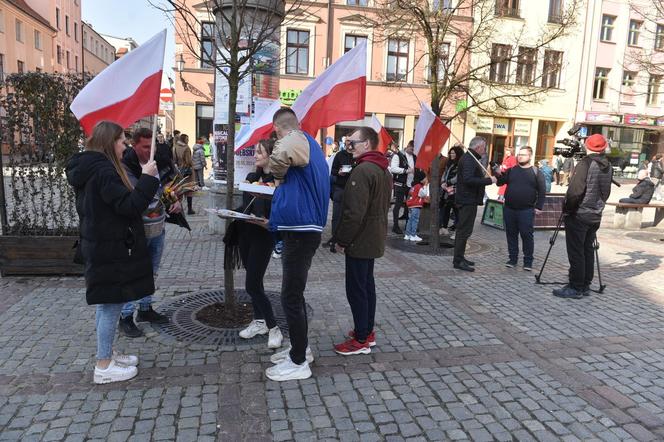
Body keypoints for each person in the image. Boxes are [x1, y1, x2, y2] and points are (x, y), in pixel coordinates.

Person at [66, 121, 159, 384]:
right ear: (109, 143)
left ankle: (107, 353)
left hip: (104, 244)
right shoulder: (103, 171)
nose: (124, 146)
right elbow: (129, 206)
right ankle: (103, 365)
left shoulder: (94, 167)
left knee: (109, 302)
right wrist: (148, 179)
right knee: (110, 304)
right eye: (121, 141)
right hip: (109, 248)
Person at [264, 108, 329, 382]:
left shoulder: (295, 138)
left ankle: (299, 361)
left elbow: (280, 155)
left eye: (276, 133)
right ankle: (301, 349)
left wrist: (275, 171)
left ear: (279, 128)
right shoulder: (306, 144)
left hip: (302, 231)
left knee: (290, 296)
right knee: (294, 294)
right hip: (301, 229)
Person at [333, 127, 392, 355]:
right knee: (367, 287)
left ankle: (360, 339)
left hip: (360, 240)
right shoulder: (381, 169)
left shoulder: (364, 170)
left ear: (366, 144)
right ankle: (366, 331)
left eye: (353, 143)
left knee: (357, 290)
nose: (350, 147)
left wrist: (342, 241)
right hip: (372, 237)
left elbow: (353, 214)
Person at [118, 128, 180, 338]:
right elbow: (136, 197)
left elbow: (163, 188)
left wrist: (174, 201)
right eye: (145, 147)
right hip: (137, 230)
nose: (149, 151)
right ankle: (126, 316)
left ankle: (145, 308)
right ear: (134, 145)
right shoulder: (125, 166)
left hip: (158, 226)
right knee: (135, 272)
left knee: (152, 271)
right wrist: (148, 176)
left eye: (151, 146)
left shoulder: (158, 160)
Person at [226, 138, 283, 349]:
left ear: (270, 155)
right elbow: (246, 207)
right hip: (245, 233)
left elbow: (276, 212)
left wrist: (268, 222)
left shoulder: (277, 181)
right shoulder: (251, 177)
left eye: (259, 152)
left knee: (252, 284)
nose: (255, 156)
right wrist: (232, 214)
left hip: (263, 236)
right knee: (254, 284)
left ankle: (273, 327)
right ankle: (258, 321)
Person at [553, 134, 613, 299]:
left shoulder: (586, 163)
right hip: (595, 214)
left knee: (576, 251)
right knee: (587, 250)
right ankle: (585, 284)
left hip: (580, 214)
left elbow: (575, 191)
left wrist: (567, 209)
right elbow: (606, 192)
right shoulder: (607, 165)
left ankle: (576, 286)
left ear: (588, 146)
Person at [496, 146, 546, 271]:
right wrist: (497, 172)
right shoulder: (512, 170)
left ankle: (528, 261)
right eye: (519, 154)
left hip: (526, 210)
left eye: (523, 155)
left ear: (530, 156)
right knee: (511, 234)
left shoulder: (536, 172)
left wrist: (539, 206)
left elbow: (542, 190)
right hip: (509, 208)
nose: (520, 156)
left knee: (526, 235)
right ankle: (512, 259)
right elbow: (500, 182)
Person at [453, 136, 497, 272]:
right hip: (466, 200)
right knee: (463, 231)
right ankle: (458, 260)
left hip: (469, 199)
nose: (485, 150)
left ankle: (460, 257)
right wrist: (489, 181)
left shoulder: (471, 158)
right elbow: (468, 179)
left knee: (466, 231)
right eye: (484, 147)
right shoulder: (468, 159)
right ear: (478, 147)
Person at [326, 141, 355, 251]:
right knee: (337, 216)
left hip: (353, 190)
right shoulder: (339, 155)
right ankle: (334, 240)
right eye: (347, 142)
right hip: (340, 188)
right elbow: (332, 170)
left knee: (350, 216)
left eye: (351, 142)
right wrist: (339, 172)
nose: (349, 144)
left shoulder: (357, 155)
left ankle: (346, 241)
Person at [389, 141, 416, 234]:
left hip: (410, 185)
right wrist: (405, 171)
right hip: (400, 184)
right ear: (408, 146)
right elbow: (393, 168)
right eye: (412, 149)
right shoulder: (398, 156)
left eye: (414, 150)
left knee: (410, 205)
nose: (413, 151)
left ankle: (408, 226)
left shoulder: (415, 157)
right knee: (398, 205)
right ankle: (395, 226)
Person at [440, 144, 464, 236]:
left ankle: (458, 232)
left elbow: (458, 177)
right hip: (447, 190)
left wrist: (448, 182)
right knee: (446, 208)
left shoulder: (460, 164)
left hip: (455, 191)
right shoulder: (449, 163)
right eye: (450, 153)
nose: (451, 155)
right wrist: (443, 182)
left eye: (453, 153)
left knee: (456, 211)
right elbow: (444, 173)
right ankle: (444, 228)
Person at [173, 133, 196, 214]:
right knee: (189, 190)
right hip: (187, 171)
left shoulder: (175, 147)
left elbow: (174, 159)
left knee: (180, 190)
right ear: (184, 139)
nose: (188, 140)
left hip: (179, 171)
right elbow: (188, 161)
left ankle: (178, 209)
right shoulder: (186, 148)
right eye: (187, 139)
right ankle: (189, 209)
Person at [404, 169, 427, 242]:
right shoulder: (419, 186)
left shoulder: (413, 186)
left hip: (410, 205)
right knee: (415, 220)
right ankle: (413, 235)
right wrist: (426, 186)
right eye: (425, 178)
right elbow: (423, 194)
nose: (426, 179)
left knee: (410, 220)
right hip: (416, 206)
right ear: (421, 179)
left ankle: (407, 234)